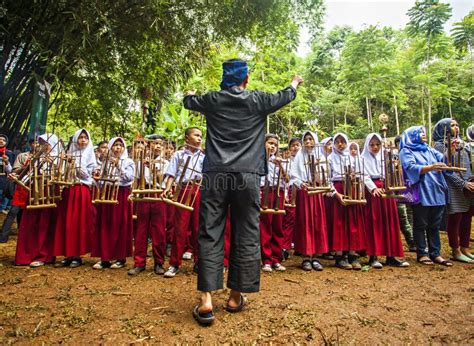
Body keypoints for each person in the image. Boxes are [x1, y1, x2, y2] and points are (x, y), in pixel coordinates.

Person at [183, 58, 303, 325]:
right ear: (246, 80)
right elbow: (285, 96)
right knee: (246, 231)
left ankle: (206, 301)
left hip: (216, 175)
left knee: (210, 231)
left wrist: (190, 94)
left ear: (224, 80)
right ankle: (236, 296)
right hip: (247, 176)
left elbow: (189, 102)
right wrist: (294, 82)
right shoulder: (258, 100)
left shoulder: (212, 99)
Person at [399, 125, 452, 266]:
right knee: (420, 223)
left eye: (424, 132)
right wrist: (431, 167)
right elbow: (410, 167)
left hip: (437, 190)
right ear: (412, 135)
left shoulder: (428, 149)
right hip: (422, 191)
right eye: (420, 132)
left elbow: (444, 159)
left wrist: (451, 149)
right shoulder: (406, 150)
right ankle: (422, 253)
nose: (423, 134)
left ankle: (436, 253)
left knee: (435, 224)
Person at [361, 133, 409, 268]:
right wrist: (373, 188)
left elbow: (393, 171)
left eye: (377, 144)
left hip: (387, 189)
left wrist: (392, 179)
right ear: (367, 145)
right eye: (372, 144)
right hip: (373, 193)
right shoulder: (362, 158)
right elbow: (364, 176)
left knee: (389, 221)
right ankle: (373, 256)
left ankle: (391, 255)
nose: (375, 147)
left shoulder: (386, 156)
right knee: (374, 222)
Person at [162, 127, 204, 277]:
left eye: (201, 136)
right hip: (182, 189)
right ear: (187, 138)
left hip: (199, 190)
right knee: (179, 228)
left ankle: (199, 262)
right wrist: (167, 189)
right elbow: (171, 174)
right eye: (196, 135)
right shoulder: (178, 155)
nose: (199, 138)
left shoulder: (204, 156)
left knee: (199, 227)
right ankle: (174, 263)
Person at [432, 119, 474, 263]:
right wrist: (462, 183)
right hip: (453, 185)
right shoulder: (439, 146)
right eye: (452, 125)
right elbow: (444, 168)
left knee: (467, 216)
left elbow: (468, 164)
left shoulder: (463, 144)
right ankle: (455, 250)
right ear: (443, 128)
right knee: (455, 217)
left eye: (457, 124)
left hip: (468, 184)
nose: (456, 127)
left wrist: (469, 181)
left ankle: (465, 248)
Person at [54, 129, 97, 268]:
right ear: (75, 140)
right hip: (68, 190)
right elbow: (61, 172)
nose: (83, 140)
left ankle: (77, 255)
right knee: (67, 221)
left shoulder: (90, 156)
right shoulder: (68, 154)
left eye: (85, 138)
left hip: (81, 190)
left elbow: (86, 175)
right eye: (80, 137)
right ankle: (67, 254)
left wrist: (75, 164)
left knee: (79, 222)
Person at [14, 134, 59, 267]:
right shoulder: (35, 158)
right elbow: (28, 175)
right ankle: (26, 255)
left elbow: (62, 176)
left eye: (47, 143)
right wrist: (18, 179)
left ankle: (43, 256)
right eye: (41, 143)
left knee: (45, 224)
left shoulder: (59, 159)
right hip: (34, 192)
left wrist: (53, 165)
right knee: (30, 223)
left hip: (49, 193)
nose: (44, 146)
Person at [92, 137, 135, 269]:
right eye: (115, 145)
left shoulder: (128, 162)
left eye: (120, 145)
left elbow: (129, 177)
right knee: (105, 224)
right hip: (107, 193)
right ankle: (105, 257)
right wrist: (98, 179)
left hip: (121, 193)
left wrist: (118, 165)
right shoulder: (105, 161)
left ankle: (120, 258)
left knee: (120, 224)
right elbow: (102, 180)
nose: (118, 148)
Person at [128, 137, 169, 275]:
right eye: (155, 144)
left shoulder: (166, 163)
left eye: (160, 144)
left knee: (159, 231)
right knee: (141, 229)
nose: (158, 146)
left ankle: (159, 262)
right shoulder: (139, 163)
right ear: (149, 146)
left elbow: (162, 179)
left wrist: (152, 169)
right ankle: (139, 263)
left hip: (158, 195)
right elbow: (136, 180)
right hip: (144, 195)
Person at [290, 131, 328, 271]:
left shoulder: (320, 156)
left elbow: (325, 176)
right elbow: (294, 176)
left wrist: (318, 173)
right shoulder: (299, 156)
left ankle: (316, 257)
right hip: (304, 193)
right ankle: (306, 257)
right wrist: (301, 183)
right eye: (305, 139)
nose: (308, 142)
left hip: (316, 192)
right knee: (305, 223)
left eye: (311, 139)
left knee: (317, 222)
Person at [328, 133, 366, 270]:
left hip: (352, 189)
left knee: (353, 222)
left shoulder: (352, 157)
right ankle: (339, 256)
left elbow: (360, 174)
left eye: (343, 141)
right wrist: (336, 194)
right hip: (338, 190)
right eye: (337, 141)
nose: (340, 144)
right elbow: (327, 179)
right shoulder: (330, 158)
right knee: (339, 223)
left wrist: (359, 190)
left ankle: (353, 254)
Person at [0, 139, 37, 243]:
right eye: (34, 143)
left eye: (39, 143)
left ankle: (23, 233)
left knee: (26, 211)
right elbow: (14, 171)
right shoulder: (22, 156)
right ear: (31, 144)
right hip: (21, 186)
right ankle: (3, 236)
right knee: (14, 210)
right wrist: (26, 167)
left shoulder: (43, 158)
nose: (37, 145)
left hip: (35, 187)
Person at [259, 134, 286, 272]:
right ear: (263, 144)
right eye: (270, 143)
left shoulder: (280, 161)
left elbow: (287, 179)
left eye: (275, 144)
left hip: (278, 193)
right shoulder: (258, 159)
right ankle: (266, 260)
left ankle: (276, 259)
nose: (273, 146)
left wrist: (280, 164)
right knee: (265, 226)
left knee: (278, 226)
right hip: (265, 193)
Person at [281, 137, 302, 260]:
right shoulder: (286, 162)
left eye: (298, 145)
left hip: (303, 191)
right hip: (290, 192)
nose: (295, 147)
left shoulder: (305, 161)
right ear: (289, 148)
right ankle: (285, 247)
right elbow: (286, 180)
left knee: (302, 219)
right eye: (293, 145)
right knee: (289, 219)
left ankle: (300, 246)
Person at [0, 134, 15, 213]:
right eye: (0, 139)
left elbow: (11, 170)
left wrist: (6, 161)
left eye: (3, 140)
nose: (1, 141)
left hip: (3, 181)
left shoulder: (9, 153)